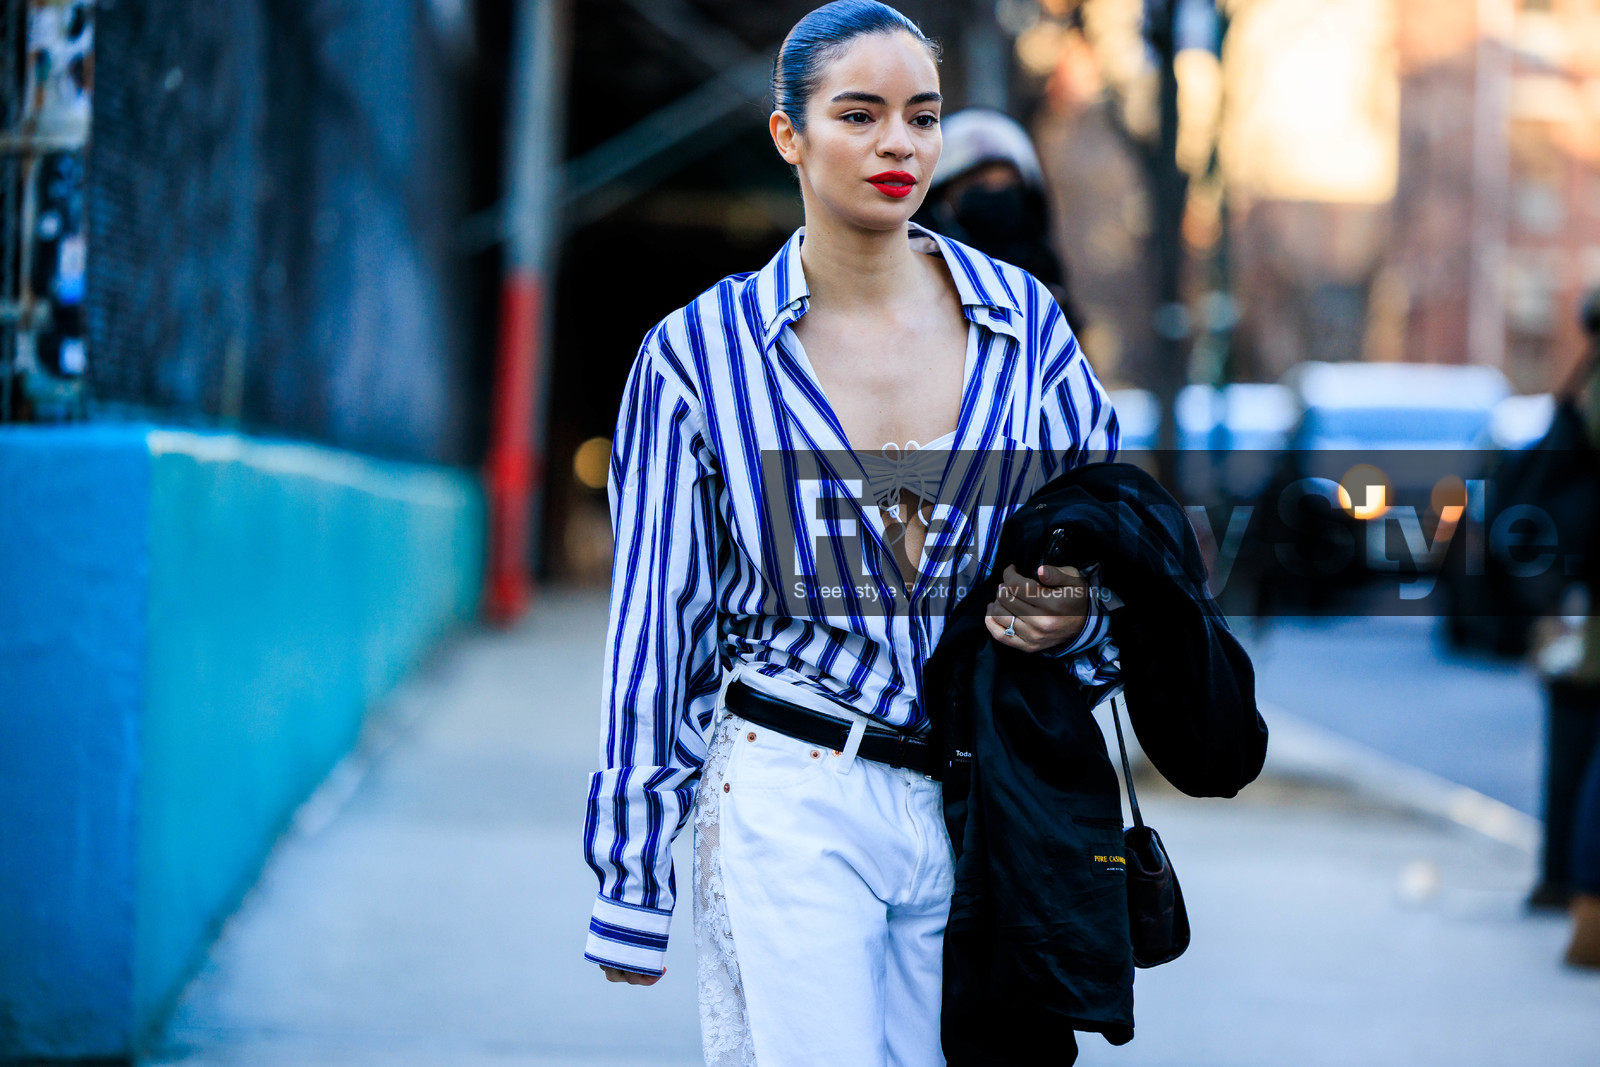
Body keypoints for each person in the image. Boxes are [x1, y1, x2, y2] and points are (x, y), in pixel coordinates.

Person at [580, 4, 1119, 1064]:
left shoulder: (1028, 330)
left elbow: (1105, 539)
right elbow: (657, 623)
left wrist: (1075, 616)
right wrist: (631, 877)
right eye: (858, 114)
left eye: (920, 117)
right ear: (789, 134)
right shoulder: (698, 356)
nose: (896, 145)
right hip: (790, 779)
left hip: (976, 797)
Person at [911, 107, 1086, 328]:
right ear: (938, 198)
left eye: (1006, 183)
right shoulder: (913, 285)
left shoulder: (1046, 289)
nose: (994, 192)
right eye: (976, 182)